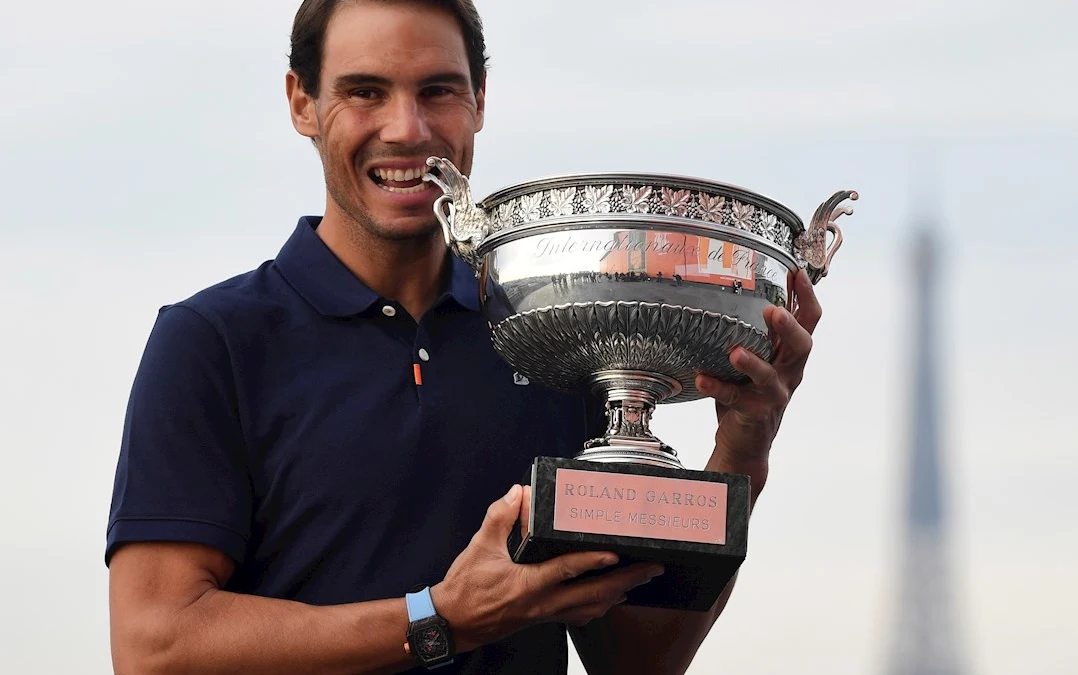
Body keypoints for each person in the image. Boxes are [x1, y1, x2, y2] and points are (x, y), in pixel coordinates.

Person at [104, 1, 824, 673]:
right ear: (302, 102)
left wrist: (742, 448)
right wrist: (439, 618)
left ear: (480, 99)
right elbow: (155, 644)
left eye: (439, 91)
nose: (406, 129)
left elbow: (633, 658)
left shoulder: (553, 336)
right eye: (365, 91)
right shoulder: (211, 342)